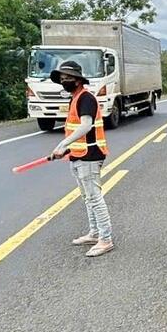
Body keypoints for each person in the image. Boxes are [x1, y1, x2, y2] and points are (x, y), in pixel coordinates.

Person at [49, 61, 114, 257]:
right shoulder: (74, 98)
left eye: (67, 78)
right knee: (87, 197)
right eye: (61, 78)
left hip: (90, 155)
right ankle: (94, 233)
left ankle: (106, 239)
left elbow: (86, 126)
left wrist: (62, 145)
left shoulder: (86, 98)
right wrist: (67, 148)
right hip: (78, 154)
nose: (64, 81)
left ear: (77, 80)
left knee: (94, 197)